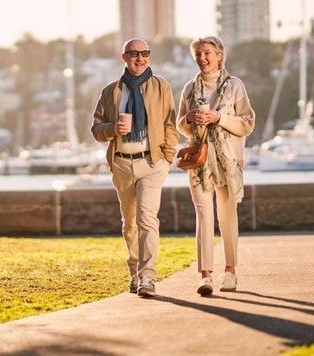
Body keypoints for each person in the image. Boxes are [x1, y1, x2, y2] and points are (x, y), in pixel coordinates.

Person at [91, 38, 178, 298]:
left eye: (145, 53)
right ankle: (134, 271)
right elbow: (96, 129)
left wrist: (168, 154)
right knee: (130, 223)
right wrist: (111, 129)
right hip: (121, 163)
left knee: (147, 219)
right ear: (124, 57)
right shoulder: (111, 91)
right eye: (134, 54)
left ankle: (148, 277)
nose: (140, 58)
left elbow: (170, 123)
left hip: (152, 163)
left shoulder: (161, 86)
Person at [177, 36, 255, 295]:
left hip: (228, 161)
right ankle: (205, 276)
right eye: (198, 54)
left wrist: (219, 117)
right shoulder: (189, 87)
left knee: (227, 216)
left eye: (207, 52)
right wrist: (189, 118)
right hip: (199, 160)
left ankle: (230, 271)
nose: (202, 58)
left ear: (220, 55)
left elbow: (247, 123)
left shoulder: (235, 86)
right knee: (203, 216)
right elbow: (180, 126)